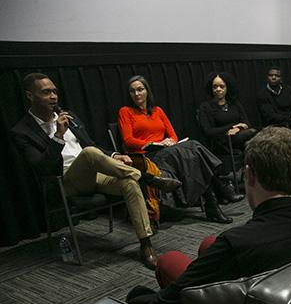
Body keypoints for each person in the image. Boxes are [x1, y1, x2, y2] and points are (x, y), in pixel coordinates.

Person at [125, 127, 291, 304]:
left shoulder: (236, 244)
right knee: (208, 244)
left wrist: (139, 297)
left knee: (167, 260)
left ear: (250, 174)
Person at [11, 73, 180, 269]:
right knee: (90, 154)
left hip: (93, 174)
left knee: (129, 183)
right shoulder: (22, 131)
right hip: (64, 181)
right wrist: (58, 135)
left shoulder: (69, 116)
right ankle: (148, 178)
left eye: (55, 91)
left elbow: (91, 144)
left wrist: (115, 155)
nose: (53, 97)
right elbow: (43, 167)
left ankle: (146, 245)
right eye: (46, 92)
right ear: (30, 96)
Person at [118, 75, 233, 223]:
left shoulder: (157, 111)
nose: (137, 94)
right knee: (194, 147)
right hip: (146, 156)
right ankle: (218, 191)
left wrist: (170, 141)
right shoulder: (125, 111)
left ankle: (213, 204)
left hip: (166, 152)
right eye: (132, 91)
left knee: (193, 151)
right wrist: (151, 142)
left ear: (147, 91)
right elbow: (128, 140)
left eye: (140, 89)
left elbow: (173, 134)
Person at [198, 71, 256, 181]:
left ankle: (248, 174)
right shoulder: (206, 107)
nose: (218, 89)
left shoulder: (235, 103)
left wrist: (237, 129)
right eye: (215, 87)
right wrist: (231, 127)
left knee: (250, 141)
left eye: (221, 86)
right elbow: (208, 131)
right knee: (252, 133)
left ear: (227, 87)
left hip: (239, 137)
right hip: (221, 140)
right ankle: (250, 175)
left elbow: (247, 123)